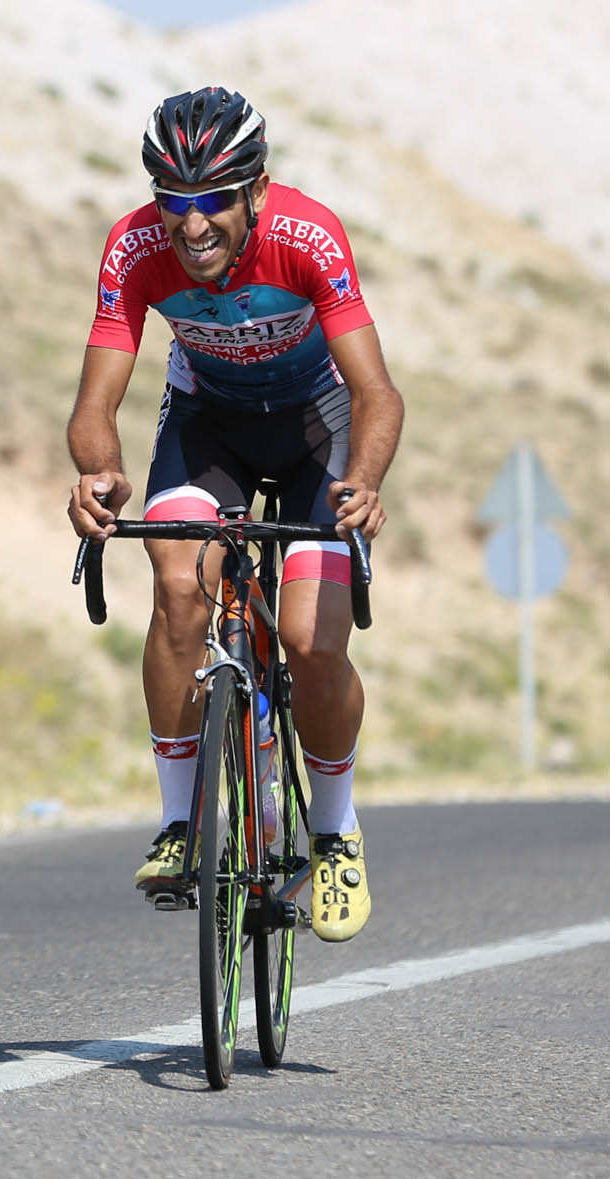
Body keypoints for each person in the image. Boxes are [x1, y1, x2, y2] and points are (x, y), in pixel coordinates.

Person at [64, 86, 404, 942]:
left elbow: (376, 392)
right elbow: (95, 400)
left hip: (315, 430)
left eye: (213, 198)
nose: (191, 224)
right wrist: (98, 472)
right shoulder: (134, 247)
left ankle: (334, 831)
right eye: (171, 200)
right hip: (207, 424)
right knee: (178, 587)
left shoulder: (307, 236)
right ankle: (180, 823)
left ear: (255, 189)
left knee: (309, 641)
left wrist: (363, 481)